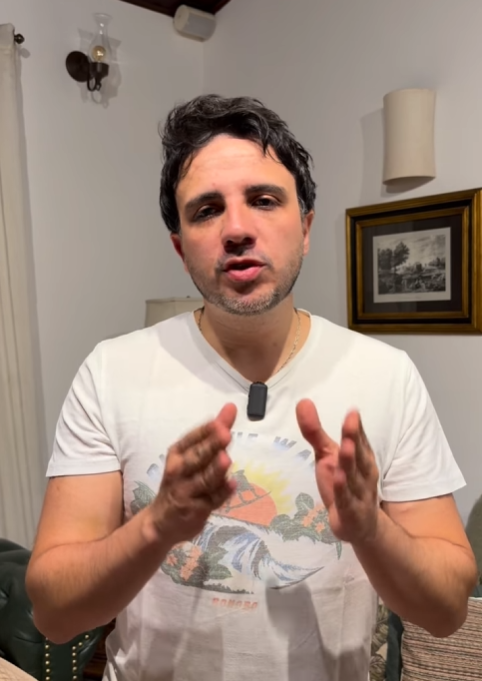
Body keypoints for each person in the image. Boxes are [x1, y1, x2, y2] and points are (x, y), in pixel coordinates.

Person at [26, 95, 477, 681]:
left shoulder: (387, 375)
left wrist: (372, 531)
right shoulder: (110, 372)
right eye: (206, 210)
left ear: (306, 228)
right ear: (180, 248)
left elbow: (446, 612)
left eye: (264, 200)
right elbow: (55, 615)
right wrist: (156, 525)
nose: (237, 229)